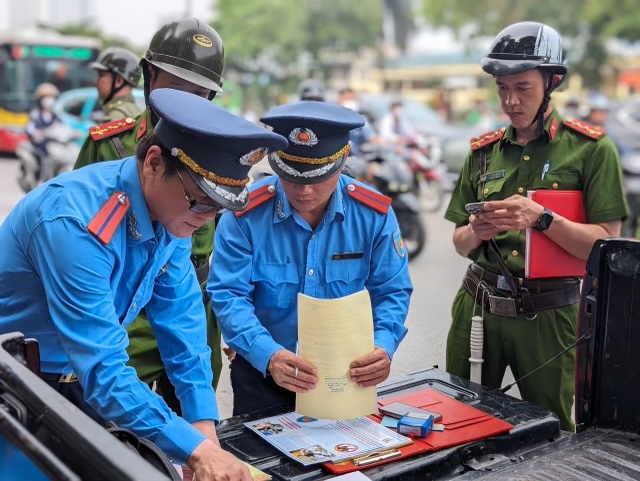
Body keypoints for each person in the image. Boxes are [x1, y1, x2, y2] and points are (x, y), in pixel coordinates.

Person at [0, 88, 288, 479]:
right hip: (18, 384)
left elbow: (184, 327)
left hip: (79, 382)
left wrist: (202, 428)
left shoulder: (170, 214)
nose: (207, 218)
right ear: (154, 162)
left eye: (220, 208)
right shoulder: (74, 223)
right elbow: (104, 368)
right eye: (201, 201)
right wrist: (195, 451)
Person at [444, 21, 629, 432]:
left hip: (549, 316)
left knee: (551, 430)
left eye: (523, 88)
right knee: (460, 421)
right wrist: (478, 231)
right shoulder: (484, 153)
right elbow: (459, 241)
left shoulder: (591, 150)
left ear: (552, 82)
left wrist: (542, 219)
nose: (510, 101)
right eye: (502, 88)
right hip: (478, 306)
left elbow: (605, 247)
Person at [208, 101, 413, 415]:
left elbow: (392, 289)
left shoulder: (373, 215)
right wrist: (268, 355)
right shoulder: (244, 217)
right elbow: (228, 294)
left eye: (317, 178)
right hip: (263, 373)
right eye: (291, 177)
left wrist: (384, 345)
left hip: (344, 376)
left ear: (343, 160)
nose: (304, 191)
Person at [73, 18, 227, 414]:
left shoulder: (222, 152)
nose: (184, 102)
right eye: (174, 87)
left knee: (195, 416)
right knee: (118, 421)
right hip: (128, 309)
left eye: (198, 93)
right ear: (148, 77)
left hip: (192, 302)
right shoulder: (110, 144)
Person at [89, 46, 143, 122]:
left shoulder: (116, 116)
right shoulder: (134, 111)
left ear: (119, 81)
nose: (96, 82)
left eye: (101, 75)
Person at [25, 82, 62, 181]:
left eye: (51, 97)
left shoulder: (56, 115)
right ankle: (41, 180)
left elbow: (62, 126)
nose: (48, 100)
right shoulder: (36, 113)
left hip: (53, 143)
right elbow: (30, 127)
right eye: (45, 97)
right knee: (44, 158)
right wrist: (35, 133)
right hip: (40, 145)